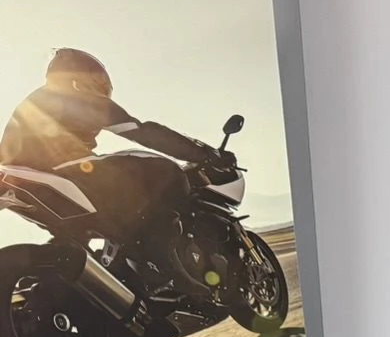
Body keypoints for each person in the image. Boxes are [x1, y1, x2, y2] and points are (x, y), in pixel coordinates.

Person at [0, 49, 224, 242]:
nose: (103, 93)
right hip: (61, 169)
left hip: (28, 178)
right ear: (83, 77)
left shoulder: (33, 104)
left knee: (76, 238)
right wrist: (203, 153)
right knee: (167, 171)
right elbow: (140, 131)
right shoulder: (73, 95)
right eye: (100, 84)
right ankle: (160, 249)